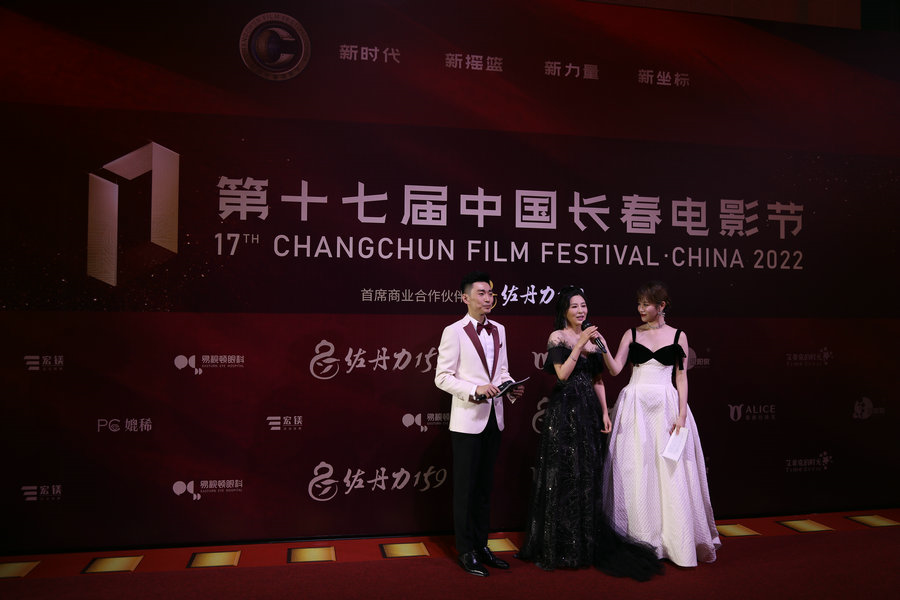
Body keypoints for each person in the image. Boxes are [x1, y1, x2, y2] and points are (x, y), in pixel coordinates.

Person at [516, 286, 662, 580]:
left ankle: (584, 544)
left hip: (588, 413)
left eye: (583, 305)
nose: (580, 311)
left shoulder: (596, 339)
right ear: (564, 311)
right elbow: (562, 375)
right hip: (563, 412)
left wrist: (605, 412)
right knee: (563, 476)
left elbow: (599, 379)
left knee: (586, 476)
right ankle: (559, 546)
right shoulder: (558, 337)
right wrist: (580, 343)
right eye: (574, 306)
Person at [593, 281, 720, 567]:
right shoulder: (631, 334)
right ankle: (641, 539)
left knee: (669, 472)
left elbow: (681, 377)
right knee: (636, 468)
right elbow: (615, 368)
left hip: (666, 406)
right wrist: (602, 348)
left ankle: (675, 541)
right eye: (638, 304)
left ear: (661, 306)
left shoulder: (678, 336)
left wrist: (682, 413)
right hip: (634, 405)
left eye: (646, 304)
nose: (640, 309)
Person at [435, 270, 525, 577]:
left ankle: (482, 545)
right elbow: (442, 377)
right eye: (482, 293)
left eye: (490, 293)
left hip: (494, 420)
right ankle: (466, 551)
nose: (488, 298)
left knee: (485, 488)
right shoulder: (454, 331)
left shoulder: (500, 329)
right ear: (466, 298)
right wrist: (475, 389)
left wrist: (510, 386)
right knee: (465, 490)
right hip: (467, 422)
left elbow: (502, 372)